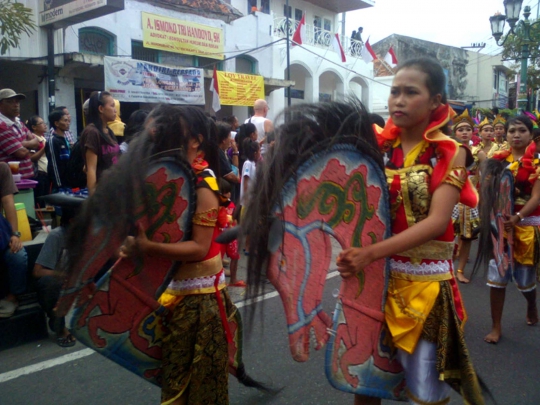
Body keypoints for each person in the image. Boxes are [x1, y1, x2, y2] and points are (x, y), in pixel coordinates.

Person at [336, 58, 483, 404]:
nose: (398, 100)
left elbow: (436, 222)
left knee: (427, 394)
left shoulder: (449, 151)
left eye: (410, 92)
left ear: (435, 101)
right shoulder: (378, 147)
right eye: (394, 91)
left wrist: (370, 252)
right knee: (364, 385)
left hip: (425, 290)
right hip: (376, 283)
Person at [481, 115, 540, 344]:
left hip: (526, 226)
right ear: (505, 135)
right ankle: (496, 326)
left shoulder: (537, 162)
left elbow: (537, 197)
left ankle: (531, 303)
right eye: (512, 131)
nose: (516, 135)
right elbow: (487, 193)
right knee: (497, 277)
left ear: (530, 134)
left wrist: (518, 216)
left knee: (525, 281)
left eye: (521, 130)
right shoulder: (497, 163)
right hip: (500, 228)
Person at [33, 206, 79, 347]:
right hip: (60, 285)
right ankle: (59, 327)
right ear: (72, 221)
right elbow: (37, 272)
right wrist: (63, 275)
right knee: (51, 282)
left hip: (78, 283)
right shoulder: (57, 236)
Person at [451, 109, 479, 283]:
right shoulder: (450, 150)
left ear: (472, 132)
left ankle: (460, 270)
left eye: (467, 129)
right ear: (455, 133)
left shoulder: (479, 152)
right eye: (460, 130)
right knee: (447, 235)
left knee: (467, 237)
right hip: (451, 199)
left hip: (470, 201)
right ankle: (446, 267)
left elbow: (484, 178)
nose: (464, 132)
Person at [0, 162, 27, 318]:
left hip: (2, 234)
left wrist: (15, 234)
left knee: (17, 255)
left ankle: (13, 297)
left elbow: (8, 202)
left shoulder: (2, 169)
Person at [80, 91, 120, 196]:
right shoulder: (92, 132)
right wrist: (93, 196)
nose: (115, 110)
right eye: (112, 106)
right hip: (102, 194)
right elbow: (90, 168)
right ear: (101, 109)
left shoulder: (108, 131)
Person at [0, 88, 40, 180]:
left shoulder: (19, 124)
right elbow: (21, 153)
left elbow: (37, 142)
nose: (16, 105)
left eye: (17, 102)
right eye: (10, 102)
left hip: (26, 178)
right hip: (11, 182)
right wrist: (27, 144)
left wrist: (21, 144)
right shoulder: (2, 126)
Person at [217, 178, 244, 287]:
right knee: (218, 258)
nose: (228, 194)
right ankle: (219, 282)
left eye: (229, 192)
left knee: (235, 256)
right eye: (226, 192)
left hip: (231, 234)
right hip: (221, 235)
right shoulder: (216, 205)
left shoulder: (231, 204)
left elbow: (235, 218)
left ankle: (233, 279)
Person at [45, 109, 71, 190]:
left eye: (68, 120)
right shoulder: (53, 141)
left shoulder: (65, 139)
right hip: (60, 185)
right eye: (65, 120)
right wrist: (59, 185)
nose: (68, 123)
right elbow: (53, 165)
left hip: (68, 182)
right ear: (56, 123)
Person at [25, 115, 50, 199]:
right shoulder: (33, 139)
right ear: (34, 127)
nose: (45, 125)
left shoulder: (42, 137)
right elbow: (32, 158)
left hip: (46, 173)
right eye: (42, 123)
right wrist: (44, 148)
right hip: (39, 173)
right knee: (40, 199)